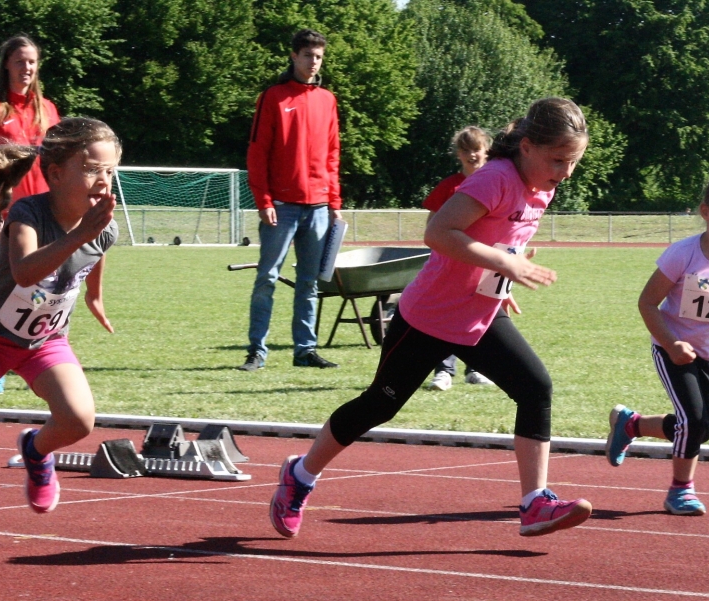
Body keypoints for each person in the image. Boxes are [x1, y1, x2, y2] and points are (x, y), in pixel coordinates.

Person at [269, 97, 594, 539]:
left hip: (478, 316)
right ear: (529, 147)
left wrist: (501, 285)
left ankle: (534, 503)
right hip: (428, 317)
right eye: (559, 160)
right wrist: (504, 263)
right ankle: (300, 476)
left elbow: (502, 241)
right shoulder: (496, 178)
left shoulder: (543, 187)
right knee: (378, 406)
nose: (565, 172)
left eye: (573, 162)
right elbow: (438, 233)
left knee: (535, 388)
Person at [0, 117, 121, 513]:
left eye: (110, 170)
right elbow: (24, 272)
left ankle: (36, 452)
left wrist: (95, 296)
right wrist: (80, 235)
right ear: (55, 174)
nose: (104, 179)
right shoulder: (29, 213)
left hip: (45, 343)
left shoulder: (104, 228)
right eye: (91, 169)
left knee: (78, 420)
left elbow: (96, 255)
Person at [605, 169, 709, 516]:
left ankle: (631, 424)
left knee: (702, 429)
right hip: (672, 349)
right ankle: (680, 491)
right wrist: (671, 343)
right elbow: (647, 303)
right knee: (693, 421)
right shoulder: (682, 254)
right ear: (705, 211)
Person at [240, 28, 342, 372]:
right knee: (267, 279)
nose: (313, 62)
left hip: (318, 208)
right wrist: (264, 200)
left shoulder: (328, 100)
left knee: (309, 283)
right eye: (308, 56)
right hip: (281, 208)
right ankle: (257, 351)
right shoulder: (273, 97)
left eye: (318, 57)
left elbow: (332, 154)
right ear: (294, 56)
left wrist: (334, 200)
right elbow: (257, 153)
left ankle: (305, 351)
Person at [0, 34, 61, 395]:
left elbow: (59, 165)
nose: (27, 68)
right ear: (6, 63)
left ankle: (33, 358)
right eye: (20, 61)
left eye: (33, 62)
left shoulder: (48, 109)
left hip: (44, 213)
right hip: (6, 215)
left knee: (45, 289)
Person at [423, 126, 495, 391]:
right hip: (451, 265)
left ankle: (476, 368)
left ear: (486, 149)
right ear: (458, 154)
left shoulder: (497, 182)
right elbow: (432, 226)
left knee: (481, 315)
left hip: (485, 263)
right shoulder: (449, 186)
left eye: (476, 149)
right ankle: (443, 371)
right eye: (465, 150)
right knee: (446, 317)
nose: (472, 155)